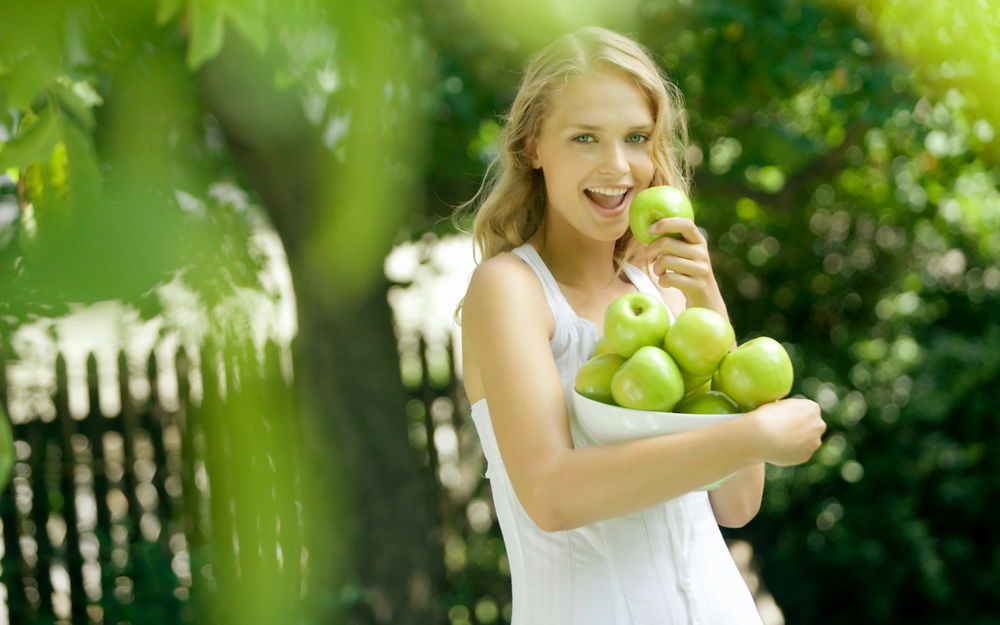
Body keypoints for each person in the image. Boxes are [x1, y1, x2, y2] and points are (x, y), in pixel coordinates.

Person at [457, 26, 826, 624]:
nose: (618, 166)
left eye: (637, 137)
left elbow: (736, 502)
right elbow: (552, 494)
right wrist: (755, 434)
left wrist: (706, 297)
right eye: (584, 138)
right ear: (533, 147)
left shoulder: (668, 293)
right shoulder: (509, 289)